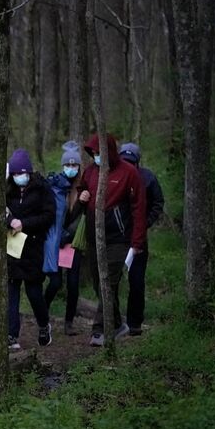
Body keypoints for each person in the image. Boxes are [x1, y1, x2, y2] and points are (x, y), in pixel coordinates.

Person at [78, 134, 146, 346]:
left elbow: (139, 209)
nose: (97, 157)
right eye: (94, 154)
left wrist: (137, 243)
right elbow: (82, 189)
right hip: (94, 238)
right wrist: (83, 195)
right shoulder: (90, 171)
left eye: (100, 153)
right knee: (99, 284)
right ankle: (118, 323)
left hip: (119, 238)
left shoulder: (129, 173)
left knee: (110, 282)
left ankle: (99, 329)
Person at [6, 148, 55, 350]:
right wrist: (10, 221)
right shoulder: (7, 189)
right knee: (12, 292)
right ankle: (11, 335)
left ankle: (44, 326)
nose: (19, 177)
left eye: (22, 173)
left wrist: (24, 223)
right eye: (16, 174)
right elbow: (0, 210)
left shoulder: (42, 188)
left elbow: (48, 216)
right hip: (11, 247)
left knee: (34, 292)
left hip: (33, 247)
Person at [119, 142, 164, 336]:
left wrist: (145, 223)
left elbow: (158, 202)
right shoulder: (113, 176)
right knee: (110, 280)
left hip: (138, 238)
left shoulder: (148, 178)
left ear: (137, 162)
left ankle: (134, 322)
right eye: (124, 161)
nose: (128, 165)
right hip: (116, 237)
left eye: (131, 161)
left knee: (136, 281)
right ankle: (111, 320)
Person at [43, 141, 85, 336]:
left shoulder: (83, 188)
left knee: (73, 284)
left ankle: (69, 322)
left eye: (74, 165)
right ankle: (42, 311)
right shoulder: (56, 186)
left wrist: (70, 234)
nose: (70, 168)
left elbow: (82, 217)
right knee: (55, 282)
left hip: (74, 242)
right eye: (67, 165)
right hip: (56, 242)